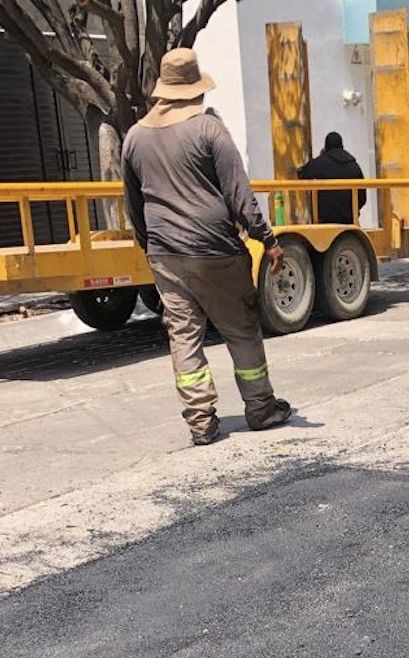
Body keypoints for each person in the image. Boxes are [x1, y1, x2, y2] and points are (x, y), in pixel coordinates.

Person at [122, 48, 292, 446]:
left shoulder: (134, 137)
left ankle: (201, 422)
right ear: (194, 90)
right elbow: (239, 193)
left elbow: (133, 204)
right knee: (241, 328)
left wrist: (153, 247)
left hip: (165, 254)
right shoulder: (208, 129)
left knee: (183, 335)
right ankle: (261, 407)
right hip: (215, 249)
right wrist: (267, 240)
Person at [298, 132, 367, 224]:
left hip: (325, 221)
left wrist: (321, 156)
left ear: (326, 147)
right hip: (350, 220)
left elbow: (301, 173)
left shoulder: (320, 163)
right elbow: (362, 198)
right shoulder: (354, 166)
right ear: (342, 146)